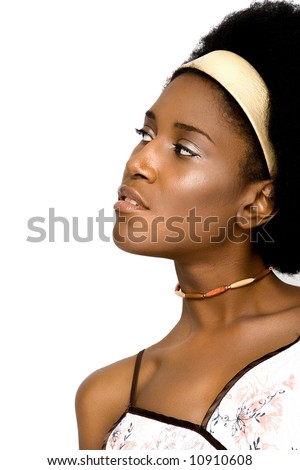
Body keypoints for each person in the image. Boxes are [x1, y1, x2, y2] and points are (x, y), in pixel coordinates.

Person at [75, 0, 300, 451]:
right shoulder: (107, 400)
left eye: (184, 149)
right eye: (145, 134)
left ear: (259, 202)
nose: (139, 162)